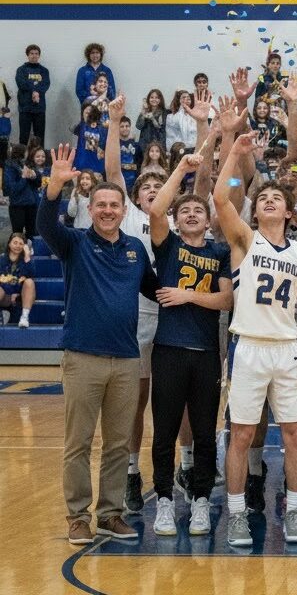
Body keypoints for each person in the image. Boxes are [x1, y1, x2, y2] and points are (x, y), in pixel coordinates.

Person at [38, 143, 158, 545]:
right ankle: (77, 517)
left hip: (126, 360)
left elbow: (155, 292)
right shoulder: (73, 243)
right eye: (100, 204)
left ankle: (110, 515)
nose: (107, 210)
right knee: (78, 443)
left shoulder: (135, 250)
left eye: (114, 204)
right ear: (90, 208)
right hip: (83, 358)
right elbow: (46, 226)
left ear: (125, 211)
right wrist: (53, 188)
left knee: (119, 444)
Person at [214, 116, 297, 547]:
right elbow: (221, 197)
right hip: (249, 348)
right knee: (241, 434)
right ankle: (237, 514)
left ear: (290, 212)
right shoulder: (244, 240)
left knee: (294, 433)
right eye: (264, 198)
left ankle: (294, 510)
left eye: (278, 198)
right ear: (255, 211)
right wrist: (234, 153)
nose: (271, 201)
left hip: (286, 350)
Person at [147, 154, 231, 537]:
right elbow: (156, 209)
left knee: (203, 433)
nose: (193, 214)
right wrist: (182, 169)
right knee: (164, 433)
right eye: (186, 211)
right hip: (167, 350)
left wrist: (187, 296)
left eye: (199, 209)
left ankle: (200, 502)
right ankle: (164, 501)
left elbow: (226, 301)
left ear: (209, 219)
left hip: (205, 355)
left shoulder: (219, 253)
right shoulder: (166, 247)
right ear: (177, 221)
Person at [105, 95, 170, 515]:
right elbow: (112, 170)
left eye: (158, 184)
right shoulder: (127, 214)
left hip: (179, 312)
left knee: (178, 399)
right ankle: (131, 472)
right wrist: (113, 123)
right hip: (140, 316)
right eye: (145, 184)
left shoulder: (181, 214)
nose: (150, 188)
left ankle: (184, 467)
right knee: (137, 400)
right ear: (136, 193)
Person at [4, 143, 41, 240]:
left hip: (31, 204)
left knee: (32, 234)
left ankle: (32, 252)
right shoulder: (9, 168)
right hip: (17, 206)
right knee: (17, 234)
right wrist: (24, 177)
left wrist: (34, 176)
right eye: (26, 152)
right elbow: (12, 189)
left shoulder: (26, 165)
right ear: (22, 153)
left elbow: (38, 183)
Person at [0, 232, 36, 328]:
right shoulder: (1, 259)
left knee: (29, 282)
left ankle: (24, 317)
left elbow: (31, 276)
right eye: (15, 242)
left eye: (21, 244)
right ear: (9, 244)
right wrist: (10, 293)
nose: (17, 246)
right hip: (4, 296)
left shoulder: (27, 260)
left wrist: (27, 256)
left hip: (21, 297)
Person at [15, 44, 49, 145]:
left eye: (36, 53)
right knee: (24, 136)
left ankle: (40, 158)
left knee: (39, 136)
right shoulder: (21, 70)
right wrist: (34, 91)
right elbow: (21, 84)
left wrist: (37, 92)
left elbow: (45, 84)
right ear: (27, 55)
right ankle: (22, 159)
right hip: (25, 108)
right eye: (32, 53)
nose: (34, 56)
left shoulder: (44, 71)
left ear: (39, 55)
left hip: (39, 108)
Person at [117, 116, 142, 194]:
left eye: (127, 126)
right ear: (118, 128)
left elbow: (140, 163)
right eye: (122, 126)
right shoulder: (114, 144)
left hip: (133, 182)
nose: (125, 128)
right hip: (118, 181)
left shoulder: (136, 145)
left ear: (130, 127)